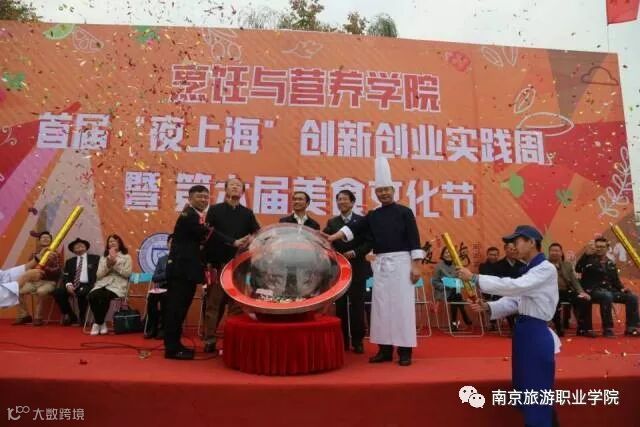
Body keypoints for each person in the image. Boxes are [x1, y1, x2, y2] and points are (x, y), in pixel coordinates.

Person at [457, 225, 560, 427]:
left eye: (516, 241)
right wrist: (488, 306)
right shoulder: (530, 270)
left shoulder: (545, 269)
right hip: (524, 332)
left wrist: (475, 278)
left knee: (536, 386)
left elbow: (515, 287)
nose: (512, 246)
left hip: (535, 333)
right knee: (525, 384)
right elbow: (516, 300)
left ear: (531, 242)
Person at [327, 157, 424, 367]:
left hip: (402, 264)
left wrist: (416, 266)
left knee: (401, 308)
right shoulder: (373, 215)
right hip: (381, 265)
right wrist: (334, 237)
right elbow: (355, 227)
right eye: (380, 191)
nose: (384, 193)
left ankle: (405, 351)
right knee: (381, 307)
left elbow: (414, 240)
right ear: (376, 193)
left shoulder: (405, 212)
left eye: (387, 190)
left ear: (393, 191)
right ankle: (384, 350)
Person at [202, 178, 260, 353]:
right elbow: (208, 233)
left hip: (238, 266)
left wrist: (249, 240)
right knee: (214, 303)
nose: (235, 187)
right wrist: (232, 241)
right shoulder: (214, 210)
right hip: (218, 264)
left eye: (238, 186)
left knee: (236, 306)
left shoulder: (247, 213)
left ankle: (232, 340)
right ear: (226, 190)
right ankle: (209, 339)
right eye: (232, 185)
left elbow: (257, 232)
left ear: (242, 192)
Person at [164, 185, 211, 360]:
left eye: (206, 197)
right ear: (190, 198)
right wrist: (233, 241)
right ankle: (172, 348)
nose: (203, 200)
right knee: (176, 310)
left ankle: (175, 345)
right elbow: (207, 234)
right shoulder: (189, 215)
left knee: (180, 309)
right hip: (181, 271)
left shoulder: (195, 215)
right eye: (199, 196)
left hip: (187, 271)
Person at [323, 189, 373, 354]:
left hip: (358, 267)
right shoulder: (332, 222)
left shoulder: (362, 221)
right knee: (341, 306)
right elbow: (327, 242)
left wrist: (356, 252)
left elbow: (369, 242)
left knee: (357, 305)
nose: (342, 202)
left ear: (352, 202)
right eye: (339, 199)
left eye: (345, 199)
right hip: (339, 269)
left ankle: (358, 341)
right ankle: (343, 340)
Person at [575, 237, 639, 337]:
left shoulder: (610, 262)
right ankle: (608, 328)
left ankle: (632, 328)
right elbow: (578, 268)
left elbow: (615, 281)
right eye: (597, 246)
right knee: (606, 296)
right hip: (592, 291)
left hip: (609, 291)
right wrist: (586, 255)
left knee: (632, 297)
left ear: (607, 248)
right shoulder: (588, 259)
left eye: (602, 247)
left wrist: (622, 288)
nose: (599, 249)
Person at [87, 234, 133, 336]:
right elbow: (98, 275)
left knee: (104, 296)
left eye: (114, 241)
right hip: (102, 284)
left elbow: (127, 274)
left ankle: (96, 323)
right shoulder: (104, 257)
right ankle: (101, 322)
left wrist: (115, 264)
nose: (112, 243)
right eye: (110, 241)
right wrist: (108, 265)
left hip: (118, 285)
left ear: (119, 243)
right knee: (92, 296)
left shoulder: (127, 257)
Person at [13, 231, 62, 326]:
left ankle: (38, 317)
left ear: (51, 241)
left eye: (47, 237)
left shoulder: (56, 254)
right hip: (33, 282)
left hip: (48, 282)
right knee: (16, 290)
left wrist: (44, 268)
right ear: (39, 241)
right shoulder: (34, 254)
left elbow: (58, 271)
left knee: (41, 291)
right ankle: (24, 315)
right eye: (43, 237)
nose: (45, 239)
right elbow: (29, 268)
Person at [547, 243, 592, 338]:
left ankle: (583, 329)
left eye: (557, 251)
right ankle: (558, 328)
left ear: (561, 253)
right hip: (550, 293)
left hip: (567, 292)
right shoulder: (544, 265)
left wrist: (581, 292)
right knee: (555, 302)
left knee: (584, 300)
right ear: (549, 252)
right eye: (552, 251)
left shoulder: (567, 265)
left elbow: (574, 281)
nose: (554, 253)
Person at [52, 237, 100, 326]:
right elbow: (66, 276)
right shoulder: (70, 261)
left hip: (88, 285)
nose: (79, 246)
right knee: (57, 292)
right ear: (73, 250)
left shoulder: (95, 258)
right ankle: (71, 316)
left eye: (81, 245)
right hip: (73, 285)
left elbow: (100, 273)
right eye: (76, 246)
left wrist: (95, 284)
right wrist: (68, 285)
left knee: (82, 292)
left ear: (86, 247)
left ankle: (82, 317)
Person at [432, 247, 472, 331]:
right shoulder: (438, 266)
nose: (448, 254)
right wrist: (446, 286)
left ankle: (453, 323)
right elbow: (435, 282)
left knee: (455, 295)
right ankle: (464, 314)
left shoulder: (457, 265)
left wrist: (455, 285)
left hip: (455, 291)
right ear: (442, 255)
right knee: (457, 296)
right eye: (446, 252)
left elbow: (460, 280)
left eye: (450, 252)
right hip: (443, 291)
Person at [145, 234, 173, 339]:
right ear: (167, 244)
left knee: (165, 298)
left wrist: (165, 274)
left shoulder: (181, 259)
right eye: (170, 243)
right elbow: (155, 277)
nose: (172, 245)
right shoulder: (162, 259)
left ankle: (163, 328)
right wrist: (167, 273)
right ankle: (153, 327)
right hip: (161, 287)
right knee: (151, 298)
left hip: (174, 288)